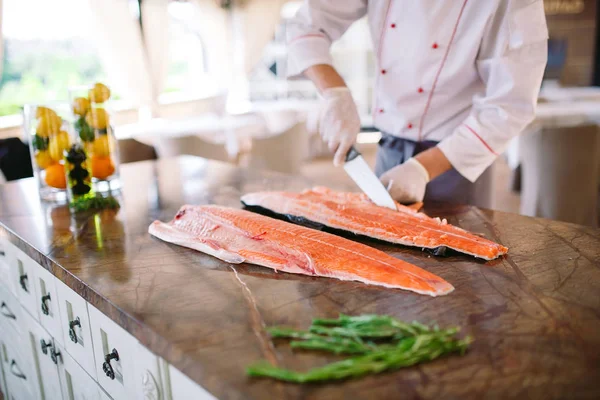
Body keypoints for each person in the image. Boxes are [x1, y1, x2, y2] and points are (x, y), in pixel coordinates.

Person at [286, 1, 548, 206]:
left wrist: (422, 168)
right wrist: (335, 93)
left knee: (459, 265)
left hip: (458, 157)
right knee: (386, 258)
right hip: (388, 149)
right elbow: (306, 26)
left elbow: (510, 105)